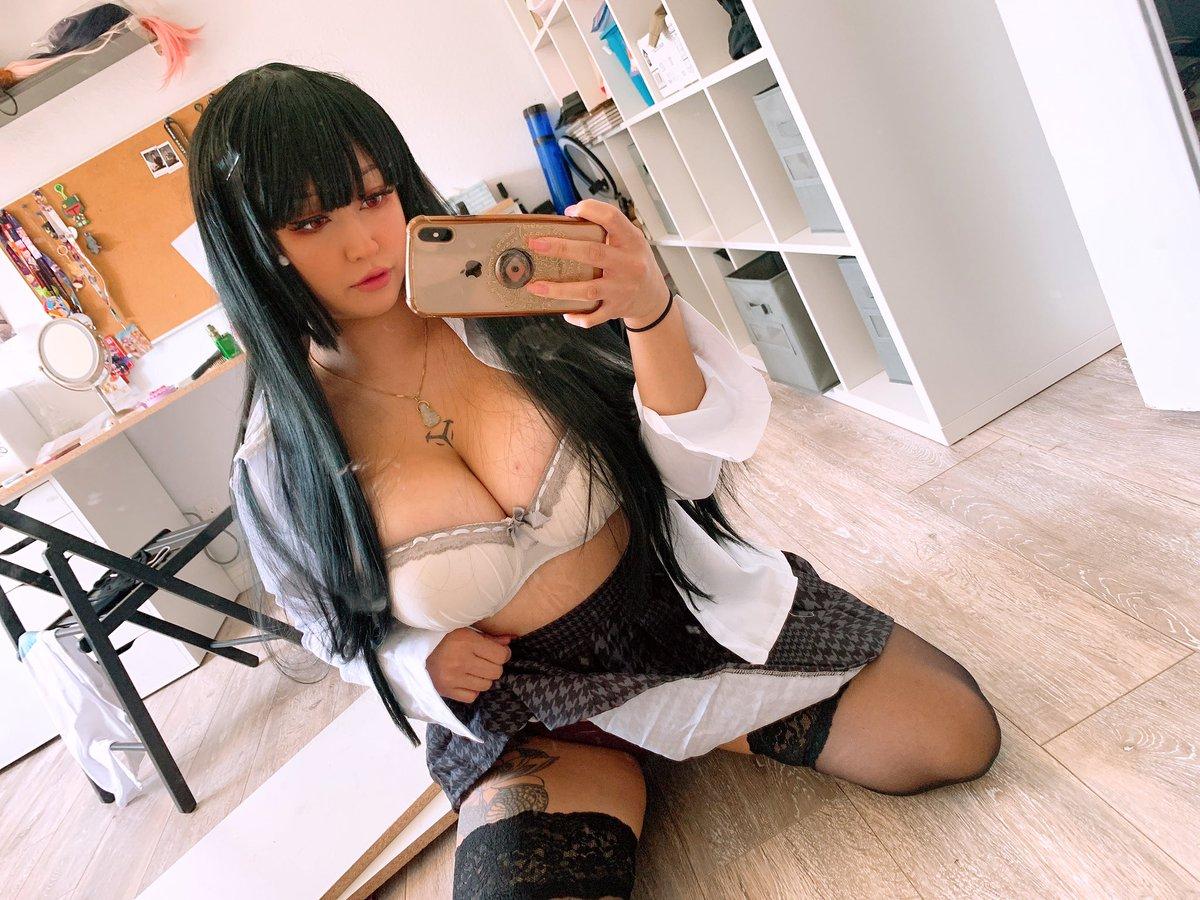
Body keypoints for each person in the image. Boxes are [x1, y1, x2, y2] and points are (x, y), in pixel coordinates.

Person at [189, 63, 1001, 899]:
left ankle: (697, 722)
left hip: (683, 614)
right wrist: (416, 659)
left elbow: (690, 470)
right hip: (527, 714)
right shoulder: (280, 458)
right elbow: (329, 629)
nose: (361, 242)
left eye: (372, 196)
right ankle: (661, 738)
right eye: (309, 221)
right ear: (251, 246)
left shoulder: (519, 297)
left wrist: (649, 309)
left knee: (951, 735)